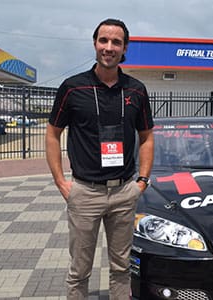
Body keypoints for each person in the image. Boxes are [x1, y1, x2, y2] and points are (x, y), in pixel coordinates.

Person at [45, 18, 154, 299]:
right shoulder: (73, 87)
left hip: (123, 192)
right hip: (85, 192)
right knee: (79, 271)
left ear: (124, 48)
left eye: (116, 42)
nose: (109, 47)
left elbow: (147, 137)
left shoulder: (136, 90)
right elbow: (52, 134)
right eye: (103, 40)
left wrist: (141, 181)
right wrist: (61, 183)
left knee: (121, 268)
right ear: (95, 44)